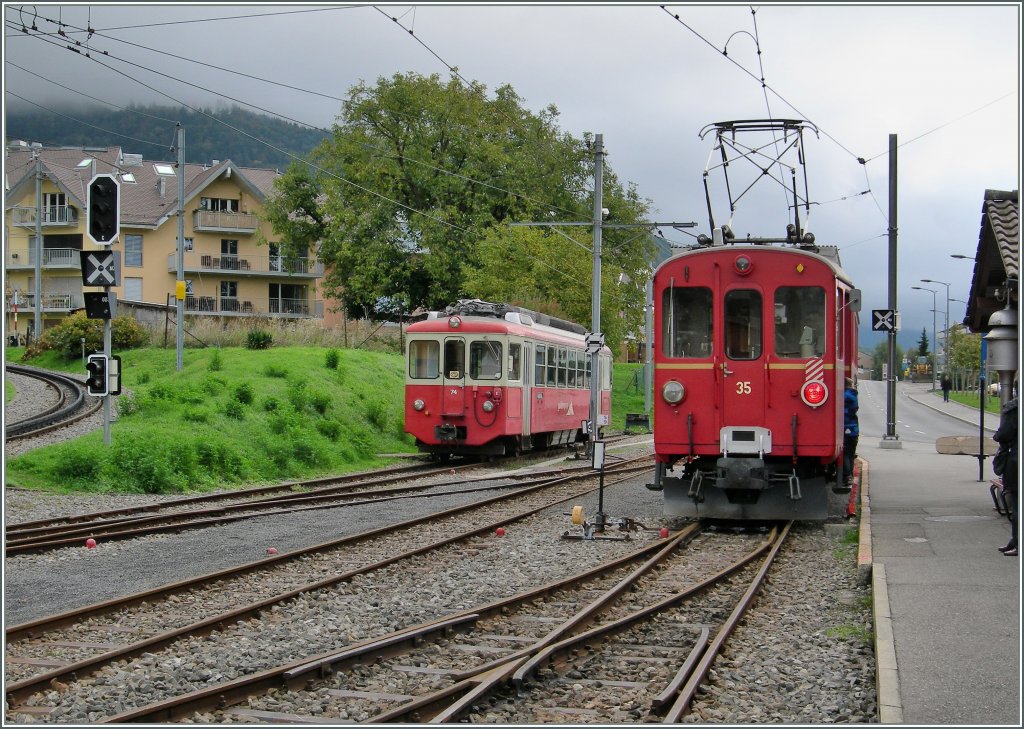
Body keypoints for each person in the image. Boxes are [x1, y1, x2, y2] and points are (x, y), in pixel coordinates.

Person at [993, 397, 1018, 556]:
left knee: (1018, 506)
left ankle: (1017, 542)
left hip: (1017, 462)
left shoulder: (1013, 408)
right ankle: (1015, 541)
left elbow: (1003, 434)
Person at [838, 377, 859, 493]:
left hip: (845, 427)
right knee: (850, 453)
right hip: (854, 428)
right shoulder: (853, 395)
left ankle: (848, 476)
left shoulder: (843, 396)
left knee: (845, 453)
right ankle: (850, 475)